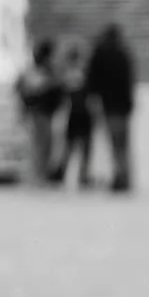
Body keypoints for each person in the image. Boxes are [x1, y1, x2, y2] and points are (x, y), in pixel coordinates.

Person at [86, 24, 136, 192]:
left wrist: (93, 99)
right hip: (122, 106)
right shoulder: (123, 53)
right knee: (123, 143)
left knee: (115, 143)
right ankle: (124, 175)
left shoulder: (100, 54)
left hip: (109, 105)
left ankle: (120, 175)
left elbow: (92, 81)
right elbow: (129, 81)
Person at [17, 39, 64, 184]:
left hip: (47, 112)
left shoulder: (47, 70)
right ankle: (38, 174)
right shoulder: (39, 71)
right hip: (39, 111)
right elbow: (29, 89)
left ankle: (41, 173)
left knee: (45, 144)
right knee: (40, 144)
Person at [53, 43, 95, 188]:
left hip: (74, 113)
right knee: (82, 146)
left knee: (71, 145)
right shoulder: (83, 73)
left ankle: (63, 171)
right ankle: (82, 174)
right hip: (81, 112)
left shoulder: (67, 74)